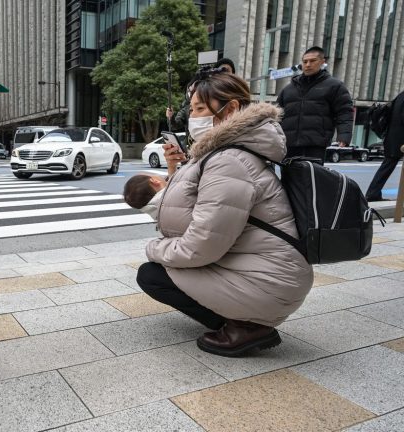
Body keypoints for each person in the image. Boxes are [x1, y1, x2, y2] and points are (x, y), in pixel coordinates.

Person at [138, 71, 313, 357]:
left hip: (269, 282)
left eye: (200, 109)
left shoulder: (229, 160)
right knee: (160, 270)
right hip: (272, 273)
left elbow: (203, 245)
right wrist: (174, 170)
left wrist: (155, 247)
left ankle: (248, 327)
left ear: (230, 109)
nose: (192, 117)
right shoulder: (227, 152)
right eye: (191, 110)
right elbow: (194, 208)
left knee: (153, 275)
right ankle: (243, 318)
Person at [276, 46, 354, 163]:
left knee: (312, 178)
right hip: (289, 144)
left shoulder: (334, 86)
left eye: (312, 61)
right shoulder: (288, 89)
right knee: (288, 179)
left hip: (316, 144)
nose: (308, 64)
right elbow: (276, 115)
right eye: (305, 61)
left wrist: (344, 135)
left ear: (322, 62)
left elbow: (344, 112)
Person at [366, 90, 404, 201]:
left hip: (392, 137)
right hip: (400, 139)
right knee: (386, 167)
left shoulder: (400, 96)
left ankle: (373, 193)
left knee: (386, 167)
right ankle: (372, 193)